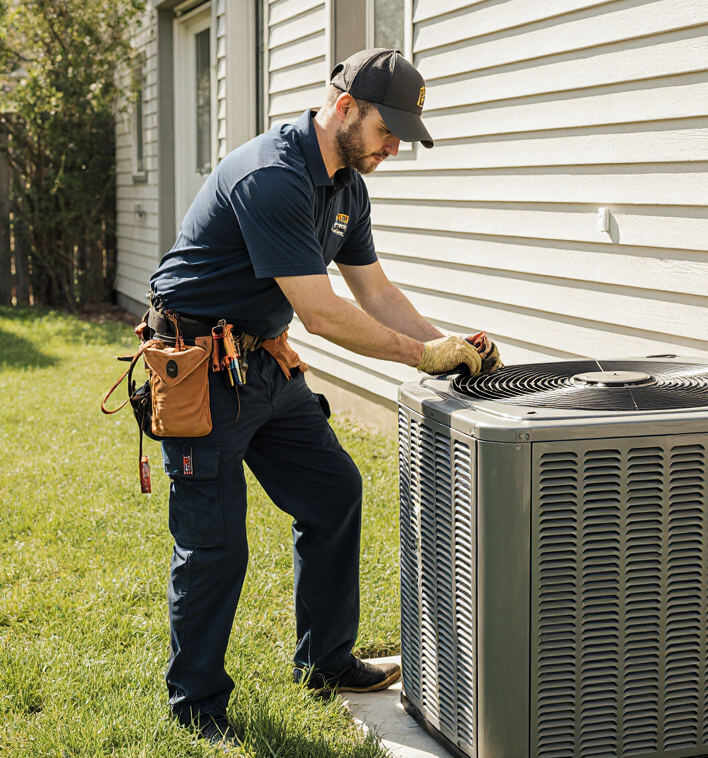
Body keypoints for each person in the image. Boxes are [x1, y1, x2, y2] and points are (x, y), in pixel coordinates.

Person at [144, 48, 501, 745]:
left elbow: (376, 293)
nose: (394, 147)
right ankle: (196, 707)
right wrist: (423, 356)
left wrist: (450, 342)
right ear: (344, 109)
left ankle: (326, 662)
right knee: (215, 546)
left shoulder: (346, 188)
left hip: (264, 368)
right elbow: (324, 313)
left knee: (334, 493)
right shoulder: (272, 177)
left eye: (403, 135)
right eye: (387, 130)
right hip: (198, 373)